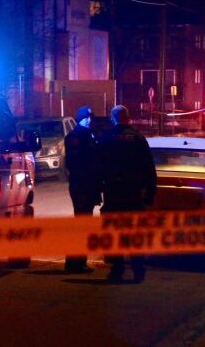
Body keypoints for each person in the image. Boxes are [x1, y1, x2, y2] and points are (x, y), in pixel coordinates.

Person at [99, 105, 157, 283]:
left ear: (113, 118)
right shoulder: (138, 139)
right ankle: (138, 270)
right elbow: (149, 168)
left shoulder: (106, 138)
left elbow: (96, 166)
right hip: (133, 194)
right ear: (129, 117)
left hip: (113, 194)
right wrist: (150, 194)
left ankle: (117, 270)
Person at [64, 105, 103, 273]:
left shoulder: (86, 135)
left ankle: (77, 262)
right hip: (83, 185)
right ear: (83, 119)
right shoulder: (77, 136)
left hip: (85, 185)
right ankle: (76, 263)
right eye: (88, 118)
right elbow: (76, 162)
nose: (90, 120)